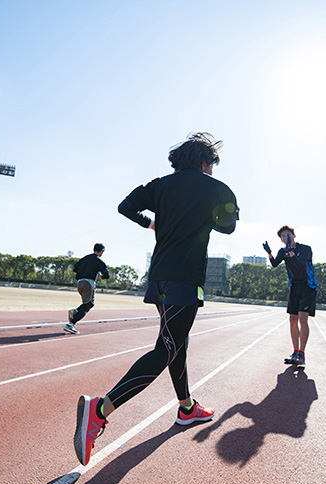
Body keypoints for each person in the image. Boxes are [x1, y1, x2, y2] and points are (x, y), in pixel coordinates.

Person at [73, 132, 239, 466]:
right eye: (212, 165)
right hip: (185, 278)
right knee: (166, 349)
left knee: (176, 342)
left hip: (161, 277)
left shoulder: (161, 184)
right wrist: (213, 209)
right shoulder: (216, 189)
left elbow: (125, 206)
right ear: (206, 163)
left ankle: (187, 407)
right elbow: (228, 227)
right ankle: (100, 409)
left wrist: (150, 222)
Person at [263, 226, 318, 366]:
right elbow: (275, 264)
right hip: (294, 287)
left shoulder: (305, 249)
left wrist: (291, 252)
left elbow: (300, 266)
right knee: (292, 319)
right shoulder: (283, 251)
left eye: (287, 235)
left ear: (293, 235)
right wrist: (269, 253)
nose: (285, 238)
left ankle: (302, 353)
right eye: (282, 237)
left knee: (302, 317)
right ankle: (295, 351)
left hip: (308, 286)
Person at [64, 243, 110, 335]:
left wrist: (85, 271)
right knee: (89, 304)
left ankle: (75, 312)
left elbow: (75, 268)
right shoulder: (98, 260)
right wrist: (99, 276)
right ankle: (71, 324)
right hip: (88, 283)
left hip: (79, 283)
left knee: (86, 304)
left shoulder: (85, 258)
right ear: (101, 251)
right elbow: (107, 275)